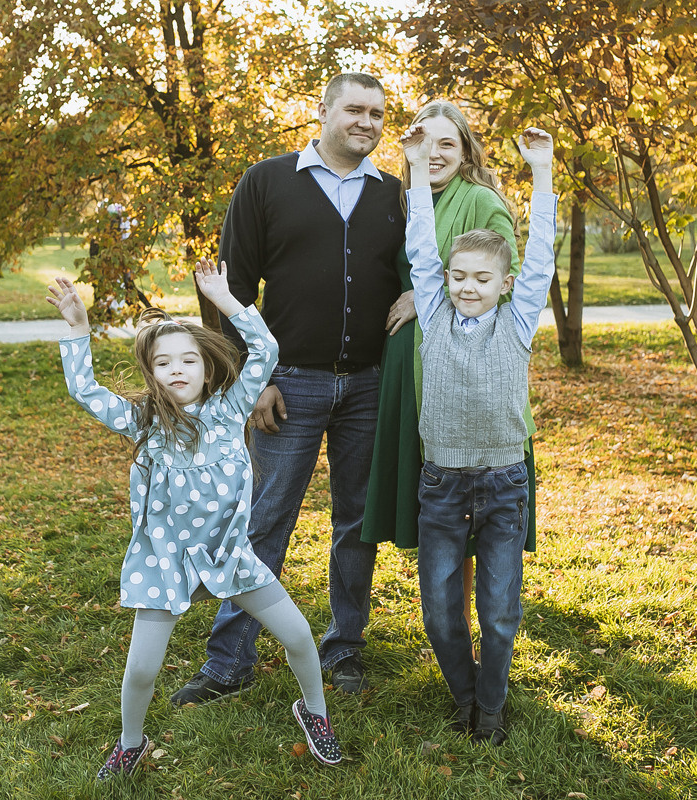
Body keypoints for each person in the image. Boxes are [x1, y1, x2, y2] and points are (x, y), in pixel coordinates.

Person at [45, 259, 342, 779]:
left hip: (230, 556)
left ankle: (315, 711)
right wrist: (78, 329)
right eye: (164, 363)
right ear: (151, 372)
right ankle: (130, 742)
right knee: (141, 670)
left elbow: (267, 351)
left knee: (297, 637)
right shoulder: (148, 423)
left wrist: (228, 302)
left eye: (188, 360)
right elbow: (86, 392)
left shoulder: (230, 412)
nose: (177, 370)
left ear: (207, 369)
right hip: (165, 563)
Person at [171, 72, 406, 705]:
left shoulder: (395, 196)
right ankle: (229, 659)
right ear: (324, 112)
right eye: (354, 109)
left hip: (368, 386)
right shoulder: (269, 181)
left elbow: (418, 267)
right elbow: (228, 288)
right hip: (287, 384)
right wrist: (252, 380)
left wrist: (415, 290)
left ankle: (345, 647)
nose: (367, 122)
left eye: (377, 114)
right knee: (264, 520)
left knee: (357, 523)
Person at [361, 101, 542, 649]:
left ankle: (467, 619)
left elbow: (503, 268)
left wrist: (428, 293)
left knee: (467, 494)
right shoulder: (405, 197)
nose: (436, 154)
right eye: (427, 143)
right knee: (438, 493)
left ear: (466, 151)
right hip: (406, 362)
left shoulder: (481, 200)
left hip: (461, 365)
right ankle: (448, 617)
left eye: (448, 143)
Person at [401, 122, 557, 745]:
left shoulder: (517, 323)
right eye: (459, 275)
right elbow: (419, 244)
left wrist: (541, 172)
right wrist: (415, 167)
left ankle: (489, 710)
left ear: (504, 284)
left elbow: (541, 250)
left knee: (497, 613)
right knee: (441, 615)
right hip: (441, 484)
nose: (468, 286)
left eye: (481, 279)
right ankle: (466, 695)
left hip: (502, 485)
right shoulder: (434, 313)